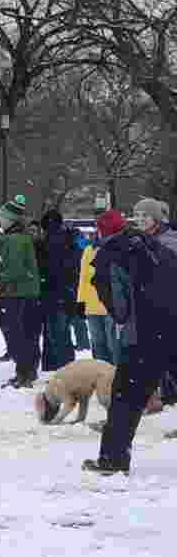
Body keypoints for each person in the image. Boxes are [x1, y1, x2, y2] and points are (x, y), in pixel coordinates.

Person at [83, 199, 177, 475]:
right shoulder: (153, 249)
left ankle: (113, 460)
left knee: (126, 397)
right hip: (166, 330)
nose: (141, 219)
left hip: (143, 335)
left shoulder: (126, 252)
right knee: (128, 396)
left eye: (147, 215)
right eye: (137, 215)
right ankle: (112, 459)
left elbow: (121, 309)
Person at [0, 195, 42, 389]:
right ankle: (28, 371)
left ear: (10, 219)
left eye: (2, 216)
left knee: (18, 334)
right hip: (27, 292)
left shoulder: (14, 240)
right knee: (27, 333)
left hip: (18, 293)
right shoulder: (22, 237)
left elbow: (15, 270)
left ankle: (23, 373)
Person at [78, 213, 120, 365]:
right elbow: (83, 277)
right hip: (92, 305)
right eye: (99, 228)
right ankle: (101, 374)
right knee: (98, 344)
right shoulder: (89, 250)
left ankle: (116, 374)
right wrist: (81, 301)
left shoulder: (119, 249)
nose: (100, 231)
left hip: (112, 306)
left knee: (113, 345)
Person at [39, 210, 78, 372]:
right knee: (61, 333)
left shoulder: (51, 241)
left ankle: (60, 369)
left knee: (55, 334)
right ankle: (63, 368)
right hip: (66, 292)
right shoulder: (68, 240)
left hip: (53, 293)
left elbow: (51, 268)